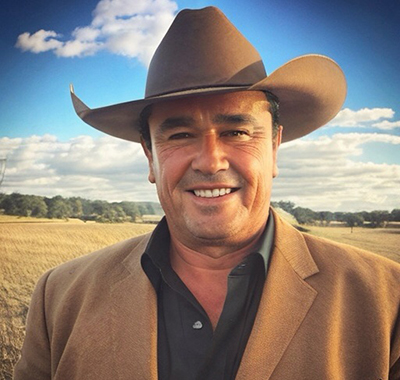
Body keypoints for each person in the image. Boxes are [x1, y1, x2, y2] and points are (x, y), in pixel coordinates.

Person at [14, 6, 400, 380]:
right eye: (180, 135)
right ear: (150, 157)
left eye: (236, 132)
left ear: (274, 147)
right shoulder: (60, 297)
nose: (210, 161)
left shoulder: (387, 301)